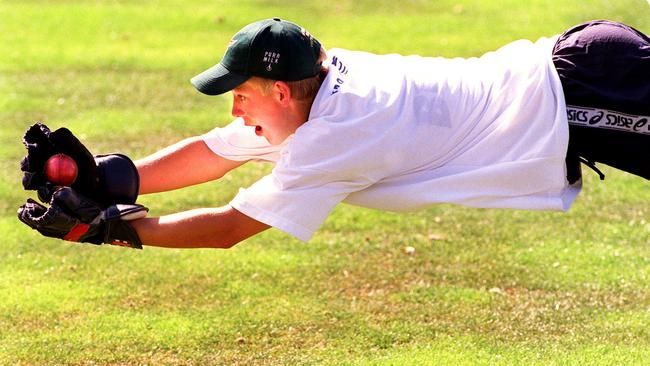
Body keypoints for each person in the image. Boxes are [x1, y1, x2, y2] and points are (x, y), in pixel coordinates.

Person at [17, 18, 650, 250]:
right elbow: (214, 153)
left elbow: (229, 228)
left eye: (240, 94)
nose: (235, 110)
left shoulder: (336, 136)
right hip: (584, 75)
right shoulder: (318, 84)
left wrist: (113, 228)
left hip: (586, 97)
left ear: (281, 92)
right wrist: (106, 176)